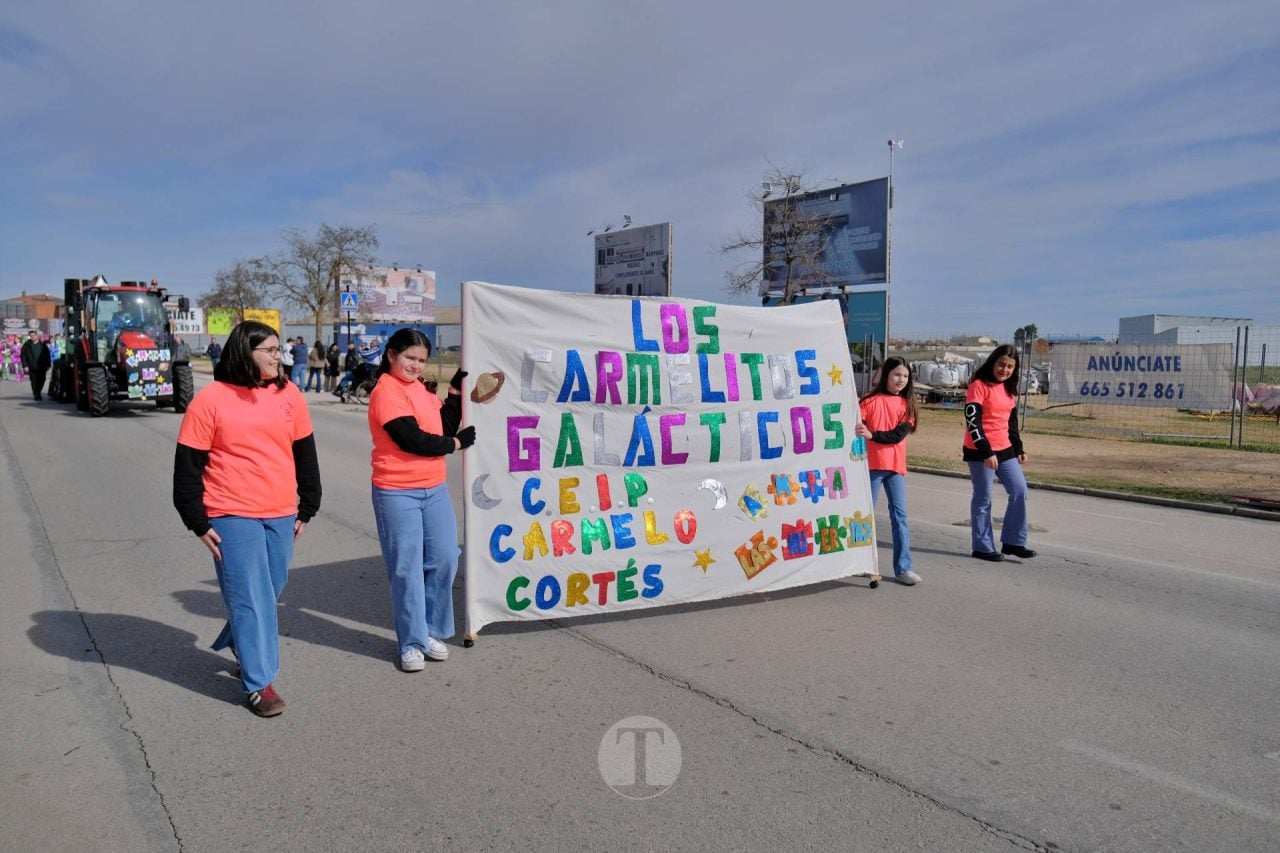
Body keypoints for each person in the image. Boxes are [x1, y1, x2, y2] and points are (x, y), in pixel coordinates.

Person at [172, 321, 322, 717]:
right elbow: (188, 465)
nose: (278, 356)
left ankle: (241, 638)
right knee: (251, 598)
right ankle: (260, 683)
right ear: (245, 352)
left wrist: (308, 504)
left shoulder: (289, 394)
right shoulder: (211, 399)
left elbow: (305, 452)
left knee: (269, 590)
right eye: (269, 350)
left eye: (278, 349)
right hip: (230, 512)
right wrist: (198, 521)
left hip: (280, 511)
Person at [367, 329, 474, 672]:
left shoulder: (420, 391)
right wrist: (456, 445)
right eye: (409, 358)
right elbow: (412, 440)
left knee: (445, 558)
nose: (415, 366)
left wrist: (456, 390)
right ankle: (411, 642)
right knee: (407, 568)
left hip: (434, 488)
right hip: (397, 491)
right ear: (391, 355)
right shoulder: (386, 392)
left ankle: (430, 631)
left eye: (422, 360)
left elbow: (441, 425)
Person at [963, 344, 1034, 562]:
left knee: (1020, 491)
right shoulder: (978, 385)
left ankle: (1013, 542)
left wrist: (1019, 448)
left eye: (1010, 367)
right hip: (979, 450)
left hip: (1005, 449)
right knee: (983, 498)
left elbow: (1011, 422)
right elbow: (972, 421)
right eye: (1001, 364)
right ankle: (982, 547)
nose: (1005, 370)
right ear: (993, 362)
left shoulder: (1009, 388)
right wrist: (986, 452)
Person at [855, 356, 920, 585]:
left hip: (894, 468)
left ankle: (903, 568)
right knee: (865, 517)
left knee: (900, 517)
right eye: (896, 374)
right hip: (870, 466)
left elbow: (897, 436)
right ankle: (862, 562)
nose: (900, 379)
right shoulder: (868, 401)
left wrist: (872, 435)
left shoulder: (907, 405)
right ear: (885, 375)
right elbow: (854, 428)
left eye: (905, 375)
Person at [20, 330, 51, 401]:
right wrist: (25, 366)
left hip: (42, 366)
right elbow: (23, 356)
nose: (32, 337)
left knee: (42, 380)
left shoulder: (43, 345)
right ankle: (36, 394)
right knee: (34, 381)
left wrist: (48, 364)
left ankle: (38, 392)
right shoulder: (26, 345)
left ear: (37, 336)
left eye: (34, 335)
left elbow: (47, 355)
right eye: (31, 336)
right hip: (31, 366)